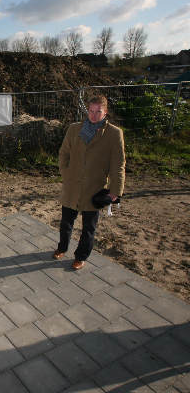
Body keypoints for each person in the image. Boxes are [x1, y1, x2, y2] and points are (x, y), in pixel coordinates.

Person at [53, 94, 125, 270]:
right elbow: (64, 153)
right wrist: (66, 172)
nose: (93, 115)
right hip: (72, 185)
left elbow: (118, 164)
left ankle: (81, 256)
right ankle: (62, 247)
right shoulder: (74, 129)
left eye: (98, 112)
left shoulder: (114, 134)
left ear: (105, 112)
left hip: (94, 187)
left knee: (88, 228)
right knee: (66, 222)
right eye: (90, 111)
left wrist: (115, 190)